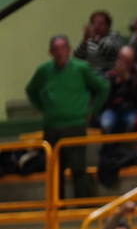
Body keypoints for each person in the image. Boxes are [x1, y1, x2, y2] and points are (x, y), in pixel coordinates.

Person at [26, 35, 108, 198]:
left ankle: (82, 204)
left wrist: (92, 111)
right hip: (52, 126)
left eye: (63, 48)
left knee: (78, 167)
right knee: (55, 168)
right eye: (56, 49)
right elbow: (31, 90)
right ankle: (57, 206)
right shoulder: (44, 71)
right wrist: (44, 108)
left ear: (69, 49)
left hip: (75, 124)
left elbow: (102, 88)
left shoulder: (81, 68)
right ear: (50, 52)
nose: (60, 52)